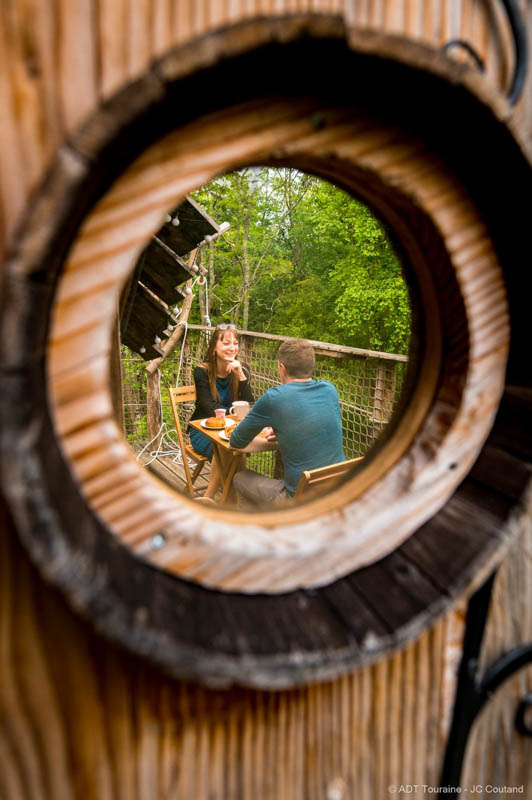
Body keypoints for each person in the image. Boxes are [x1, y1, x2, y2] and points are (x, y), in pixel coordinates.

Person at [230, 338, 345, 506]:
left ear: (281, 368)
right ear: (311, 366)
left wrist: (276, 443)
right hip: (338, 491)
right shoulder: (330, 390)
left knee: (240, 478)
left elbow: (236, 442)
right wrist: (285, 435)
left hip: (300, 501)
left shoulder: (274, 397)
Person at [189, 323, 254, 499]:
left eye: (235, 343)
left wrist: (241, 376)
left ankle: (219, 501)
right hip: (203, 430)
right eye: (226, 343)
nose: (232, 348)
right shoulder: (202, 371)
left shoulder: (242, 368)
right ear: (214, 347)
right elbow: (206, 405)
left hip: (229, 431)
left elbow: (249, 405)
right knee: (230, 449)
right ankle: (218, 498)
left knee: (233, 446)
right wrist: (233, 417)